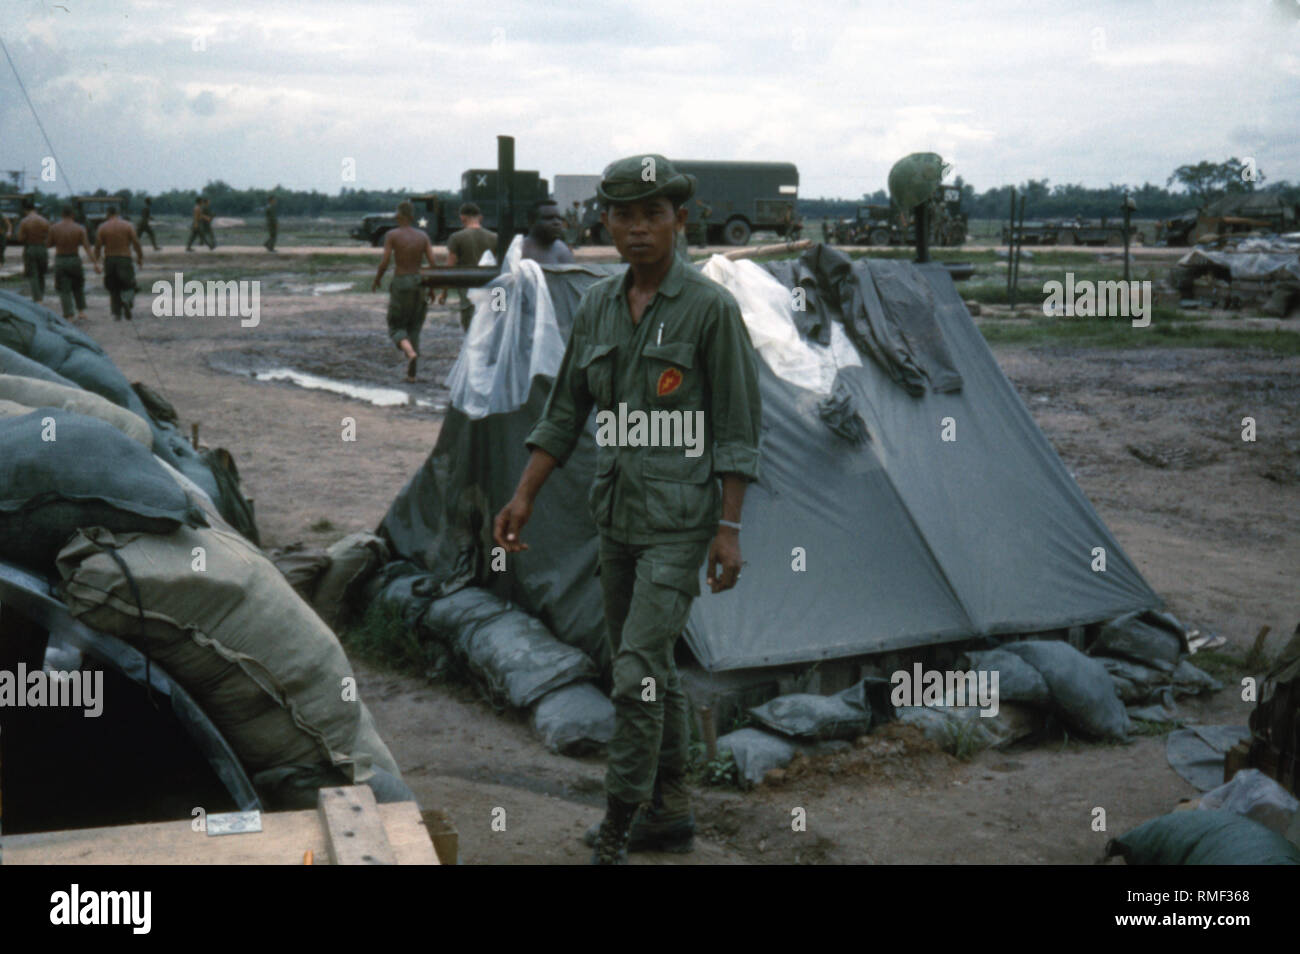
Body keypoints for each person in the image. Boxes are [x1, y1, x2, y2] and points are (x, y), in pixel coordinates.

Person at [493, 154, 762, 865]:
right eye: (624, 215)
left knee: (636, 667)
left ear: (680, 219)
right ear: (604, 221)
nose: (638, 230)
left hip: (680, 523)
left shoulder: (711, 310)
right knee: (648, 669)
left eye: (652, 215)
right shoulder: (599, 306)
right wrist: (523, 494)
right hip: (614, 518)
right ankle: (671, 808)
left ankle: (619, 819)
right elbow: (564, 415)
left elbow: (737, 430)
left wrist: (728, 530)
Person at [373, 200, 438, 382]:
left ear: (398, 216)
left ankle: (409, 352)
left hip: (401, 282)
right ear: (412, 217)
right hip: (419, 283)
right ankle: (412, 375)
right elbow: (433, 264)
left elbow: (385, 262)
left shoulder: (392, 235)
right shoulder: (423, 236)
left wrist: (377, 279)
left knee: (396, 327)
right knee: (415, 328)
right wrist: (432, 287)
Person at [440, 202, 498, 332]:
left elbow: (449, 267)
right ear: (480, 217)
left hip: (468, 293)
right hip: (490, 290)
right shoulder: (495, 237)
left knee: (471, 331)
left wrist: (444, 292)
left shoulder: (456, 238)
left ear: (462, 217)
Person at [47, 204, 100, 321]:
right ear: (73, 215)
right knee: (78, 286)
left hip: (60, 259)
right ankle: (81, 311)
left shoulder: (54, 228)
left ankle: (69, 314)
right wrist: (95, 263)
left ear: (62, 214)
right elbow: (87, 247)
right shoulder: (80, 228)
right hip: (74, 259)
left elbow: (48, 244)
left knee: (64, 288)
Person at [94, 205, 143, 321]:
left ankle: (117, 313)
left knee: (113, 286)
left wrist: (97, 261)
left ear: (107, 214)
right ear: (118, 213)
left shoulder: (102, 227)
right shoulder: (128, 225)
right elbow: (136, 242)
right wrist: (140, 257)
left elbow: (97, 246)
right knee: (128, 284)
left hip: (110, 259)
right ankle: (127, 302)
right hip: (125, 258)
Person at [15, 199, 51, 302]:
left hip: (30, 248)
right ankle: (42, 296)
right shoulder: (44, 221)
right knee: (41, 274)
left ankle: (37, 299)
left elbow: (20, 238)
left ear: (25, 210)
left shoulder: (24, 221)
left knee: (33, 274)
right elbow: (50, 238)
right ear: (35, 209)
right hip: (42, 248)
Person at [520, 200, 575, 264]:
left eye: (559, 218)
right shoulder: (520, 250)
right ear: (531, 222)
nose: (557, 222)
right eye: (549, 218)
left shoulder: (562, 248)